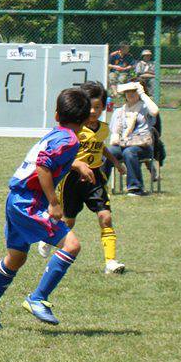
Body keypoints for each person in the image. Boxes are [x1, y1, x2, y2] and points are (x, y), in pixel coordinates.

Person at [0, 88, 93, 329]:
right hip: (30, 201)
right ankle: (38, 298)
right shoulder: (70, 140)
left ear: (57, 115)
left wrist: (76, 165)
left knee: (16, 257)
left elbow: (48, 160)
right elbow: (44, 166)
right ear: (88, 118)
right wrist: (54, 202)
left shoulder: (56, 134)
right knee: (72, 245)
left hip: (15, 199)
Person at [38, 82, 127, 274]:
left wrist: (115, 162)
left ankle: (111, 262)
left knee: (105, 216)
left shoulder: (103, 129)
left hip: (95, 178)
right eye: (90, 107)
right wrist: (77, 165)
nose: (94, 111)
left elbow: (100, 146)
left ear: (104, 107)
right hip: (73, 179)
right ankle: (48, 238)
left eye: (98, 107)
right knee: (68, 220)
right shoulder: (74, 130)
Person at [107, 80, 160, 196]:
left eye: (133, 91)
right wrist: (116, 139)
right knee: (108, 152)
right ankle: (100, 185)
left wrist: (142, 94)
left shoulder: (146, 108)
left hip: (143, 146)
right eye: (127, 91)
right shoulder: (119, 111)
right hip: (124, 144)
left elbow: (155, 111)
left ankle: (135, 188)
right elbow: (115, 133)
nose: (130, 94)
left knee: (129, 152)